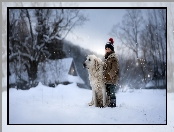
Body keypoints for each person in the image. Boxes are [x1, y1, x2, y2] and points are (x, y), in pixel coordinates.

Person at [103, 38, 119, 108]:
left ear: (111, 49)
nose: (107, 50)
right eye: (106, 49)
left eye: (108, 48)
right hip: (107, 79)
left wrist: (110, 75)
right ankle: (109, 102)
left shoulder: (113, 58)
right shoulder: (106, 59)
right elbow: (105, 69)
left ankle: (113, 103)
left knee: (112, 91)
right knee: (108, 92)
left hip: (112, 79)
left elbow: (114, 69)